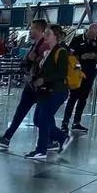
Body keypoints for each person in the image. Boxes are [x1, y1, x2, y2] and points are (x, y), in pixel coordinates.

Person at [0, 19, 49, 149]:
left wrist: (35, 59)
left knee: (41, 117)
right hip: (31, 84)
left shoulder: (44, 46)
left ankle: (57, 138)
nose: (30, 31)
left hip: (39, 86)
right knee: (21, 112)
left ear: (39, 30)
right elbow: (27, 62)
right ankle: (7, 137)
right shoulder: (35, 44)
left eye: (32, 28)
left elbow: (47, 64)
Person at [25, 25, 71, 161]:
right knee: (38, 119)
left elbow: (61, 73)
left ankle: (41, 150)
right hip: (45, 91)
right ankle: (62, 137)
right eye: (45, 33)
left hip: (56, 91)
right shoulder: (48, 52)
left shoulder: (61, 52)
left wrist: (44, 79)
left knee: (44, 119)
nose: (45, 36)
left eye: (48, 34)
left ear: (56, 36)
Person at [62, 23, 97, 133]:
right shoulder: (77, 39)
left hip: (90, 72)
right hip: (77, 71)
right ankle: (65, 122)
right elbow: (70, 55)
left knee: (83, 98)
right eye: (93, 32)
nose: (94, 35)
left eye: (96, 33)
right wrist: (81, 57)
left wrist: (94, 56)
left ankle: (76, 122)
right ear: (88, 30)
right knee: (73, 97)